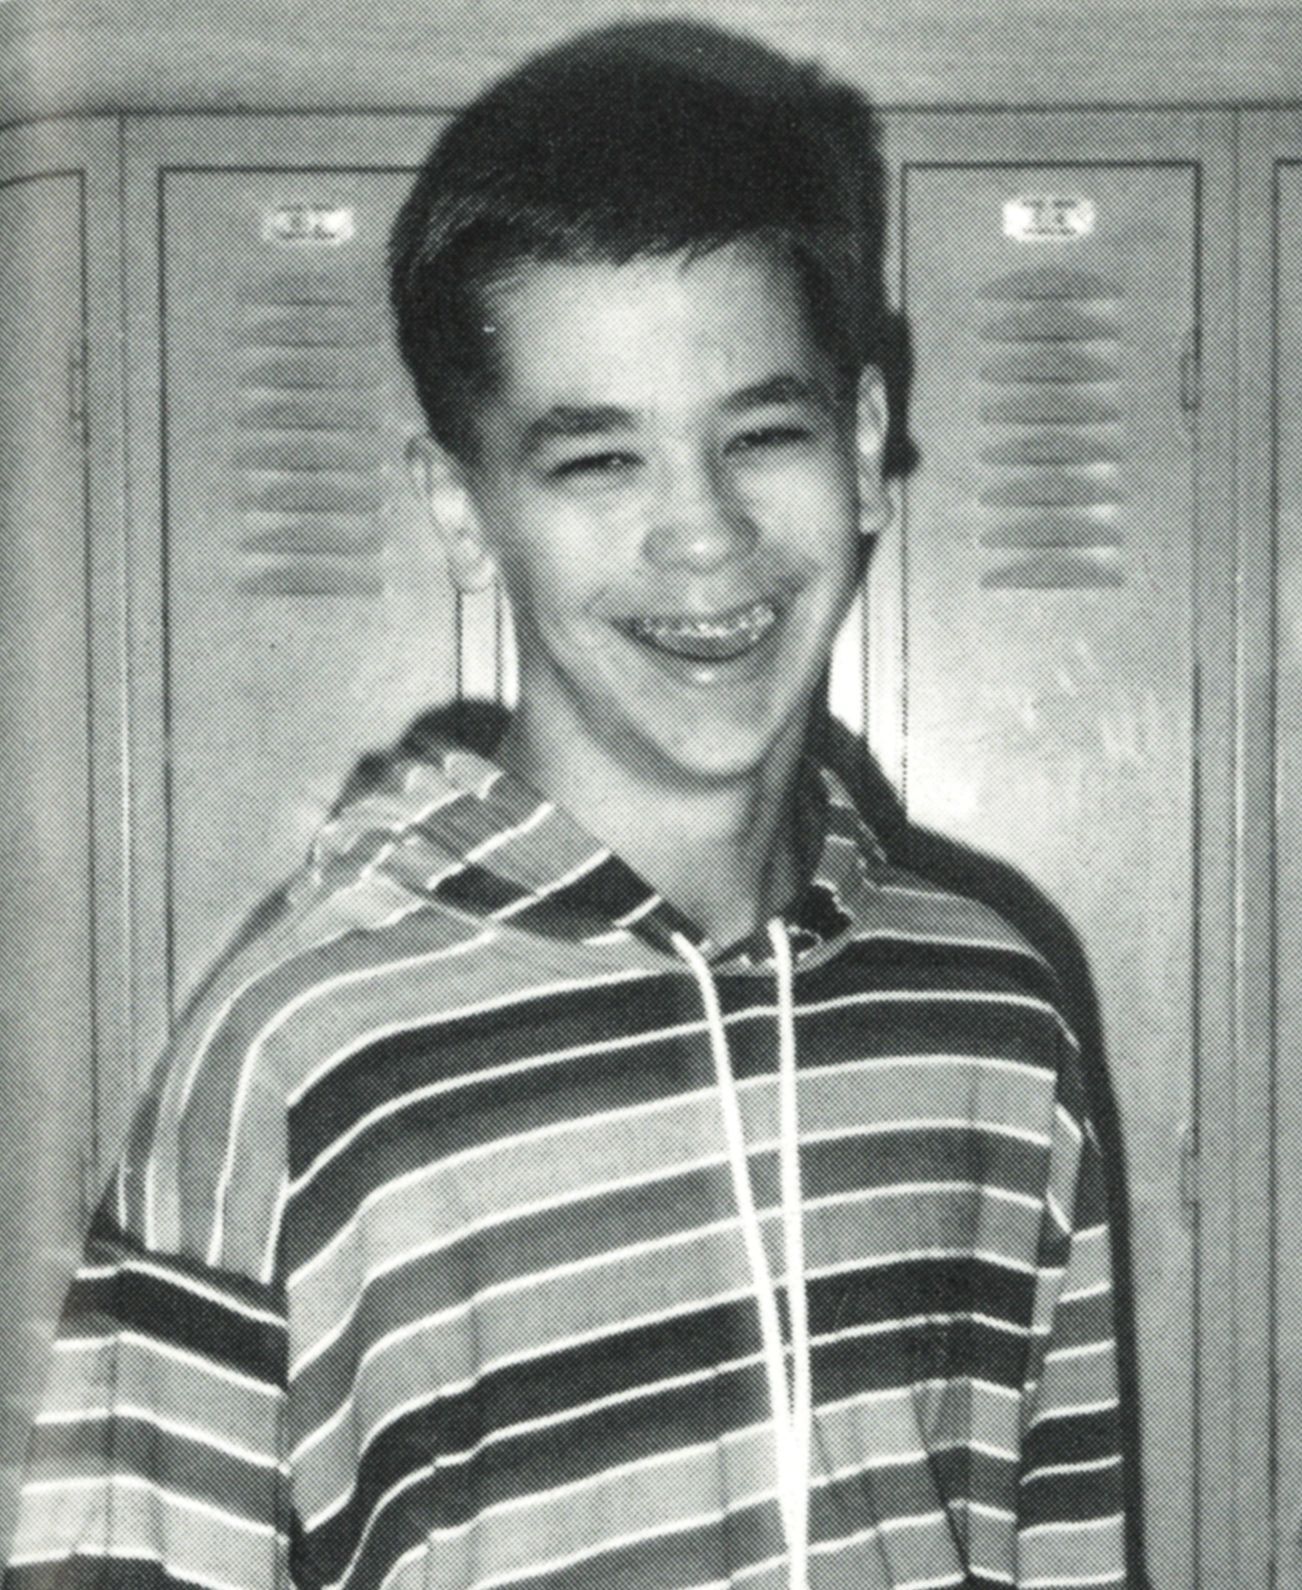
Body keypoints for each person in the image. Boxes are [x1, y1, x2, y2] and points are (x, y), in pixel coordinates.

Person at [4, 22, 1129, 1590]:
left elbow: (1059, 1544)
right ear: (465, 513)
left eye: (762, 433)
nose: (702, 535)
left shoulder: (991, 1013)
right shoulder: (312, 1066)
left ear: (864, 449)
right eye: (596, 460)